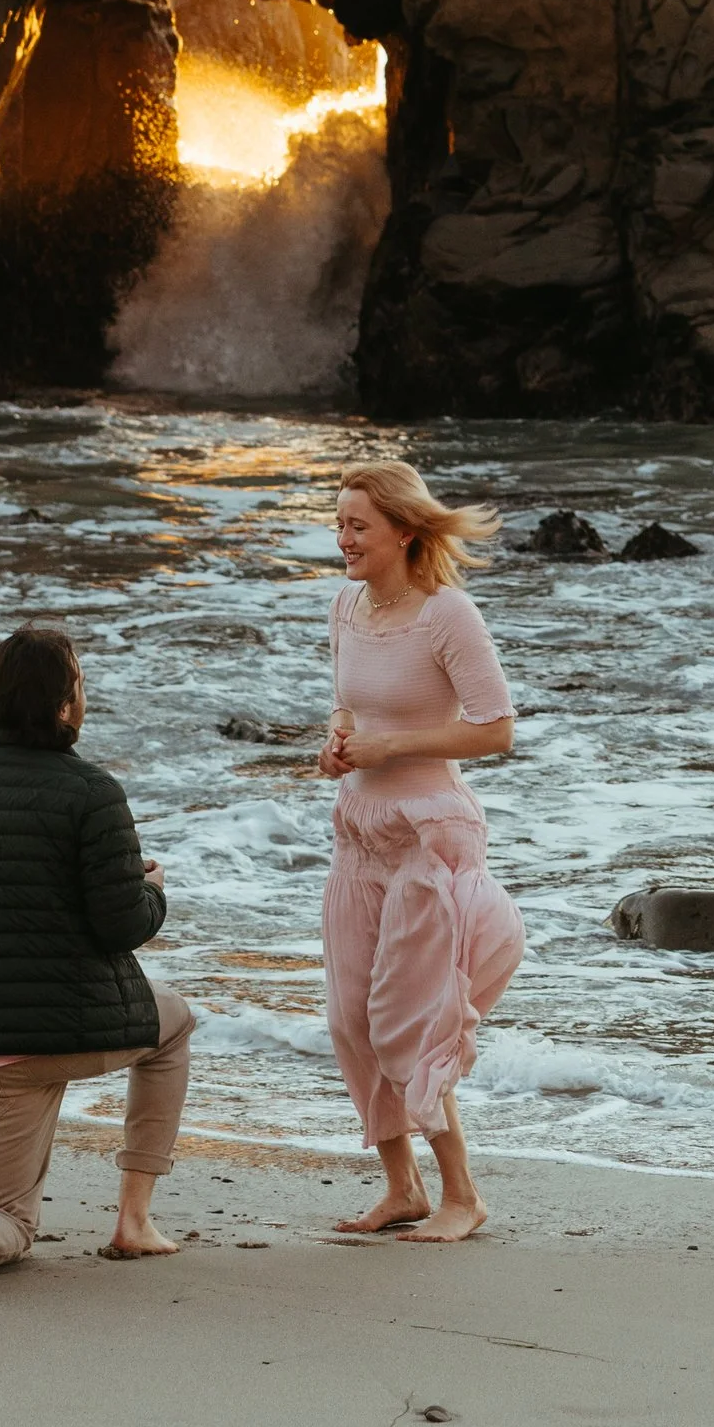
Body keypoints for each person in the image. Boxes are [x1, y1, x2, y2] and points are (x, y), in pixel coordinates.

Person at [0, 619, 193, 1295]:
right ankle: (134, 1220)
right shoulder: (92, 792)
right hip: (75, 1026)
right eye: (80, 685)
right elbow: (121, 924)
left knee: (9, 1215)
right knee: (175, 1025)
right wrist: (150, 890)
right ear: (65, 706)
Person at [318, 460, 524, 1244]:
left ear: (404, 531)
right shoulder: (346, 606)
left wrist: (392, 746)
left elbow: (496, 729)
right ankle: (402, 1188)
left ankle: (462, 1195)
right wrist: (335, 746)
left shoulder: (447, 614)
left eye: (357, 526)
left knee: (405, 1020)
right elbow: (345, 708)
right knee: (350, 1019)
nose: (343, 539)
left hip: (430, 834)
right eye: (339, 524)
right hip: (359, 831)